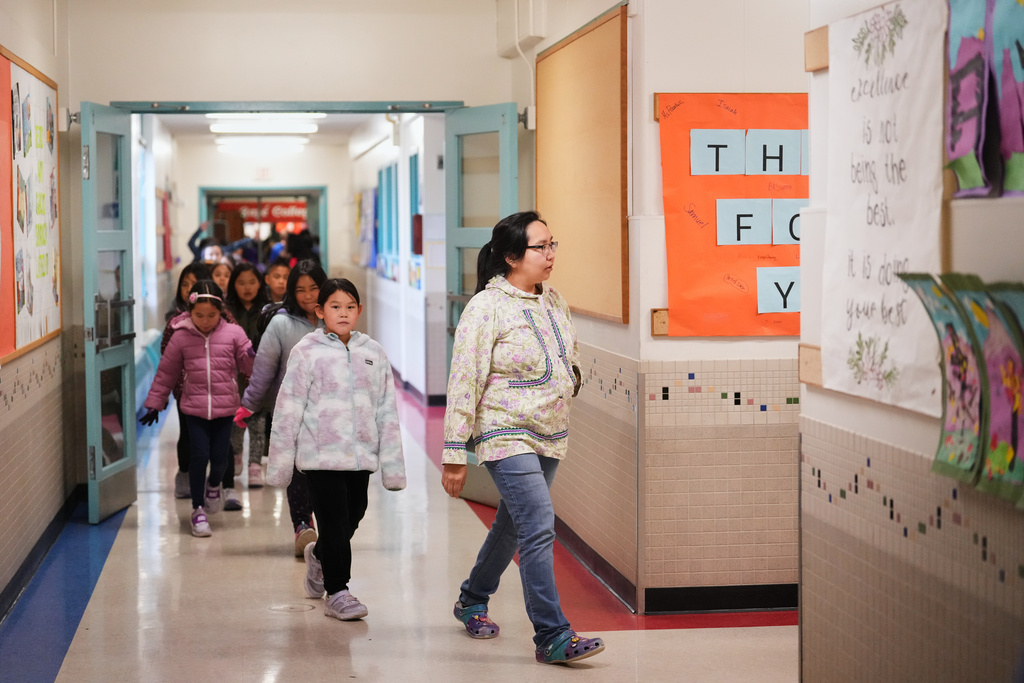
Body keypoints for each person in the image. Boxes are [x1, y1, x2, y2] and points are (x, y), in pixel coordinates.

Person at [440, 211, 604, 665]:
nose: (550, 254)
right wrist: (455, 453)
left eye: (554, 244)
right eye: (540, 247)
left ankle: (472, 598)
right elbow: (464, 380)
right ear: (512, 257)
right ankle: (552, 635)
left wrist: (571, 379)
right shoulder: (486, 308)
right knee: (538, 526)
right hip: (502, 430)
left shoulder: (553, 300)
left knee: (511, 524)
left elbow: (567, 353)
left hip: (548, 432)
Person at [267, 278, 405, 621]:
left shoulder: (373, 353)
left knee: (352, 515)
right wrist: (281, 463)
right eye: (334, 307)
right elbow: (288, 408)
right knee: (334, 521)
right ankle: (338, 591)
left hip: (361, 457)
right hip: (320, 456)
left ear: (359, 310)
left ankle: (318, 557)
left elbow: (386, 410)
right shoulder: (306, 352)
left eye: (349, 307)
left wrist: (392, 466)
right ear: (320, 311)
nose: (342, 313)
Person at [142, 280, 254, 537]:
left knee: (220, 461)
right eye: (199, 315)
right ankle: (198, 510)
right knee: (198, 456)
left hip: (225, 409)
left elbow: (249, 368)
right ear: (189, 312)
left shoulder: (234, 334)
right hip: (194, 409)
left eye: (212, 315)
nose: (205, 320)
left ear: (222, 312)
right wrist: (155, 404)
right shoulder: (181, 335)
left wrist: (253, 355)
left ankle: (214, 485)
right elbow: (166, 373)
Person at [235, 260, 326, 557]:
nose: (308, 295)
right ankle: (302, 526)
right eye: (300, 290)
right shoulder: (281, 324)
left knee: (324, 471)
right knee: (298, 470)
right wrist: (248, 404)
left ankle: (325, 525)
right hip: (290, 411)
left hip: (330, 413)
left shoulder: (335, 317)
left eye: (314, 288)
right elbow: (263, 370)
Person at [165, 263, 211, 498]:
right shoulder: (174, 321)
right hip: (186, 390)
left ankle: (215, 480)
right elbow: (167, 360)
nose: (186, 289)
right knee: (188, 434)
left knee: (213, 437)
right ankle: (184, 474)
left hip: (215, 389)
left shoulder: (218, 316)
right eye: (183, 284)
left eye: (191, 284)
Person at [224, 263, 271, 487]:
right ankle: (235, 456)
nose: (247, 287)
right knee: (236, 420)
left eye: (252, 282)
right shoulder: (226, 310)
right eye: (241, 283)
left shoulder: (268, 309)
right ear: (233, 285)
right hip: (233, 376)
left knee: (258, 421)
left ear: (260, 283)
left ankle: (255, 465)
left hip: (260, 375)